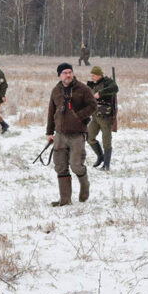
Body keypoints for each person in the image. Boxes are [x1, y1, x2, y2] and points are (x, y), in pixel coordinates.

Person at [46, 63, 97, 207]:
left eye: (70, 72)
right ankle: (65, 200)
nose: (68, 75)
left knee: (76, 165)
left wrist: (78, 116)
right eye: (65, 73)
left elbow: (93, 105)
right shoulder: (56, 91)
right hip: (60, 134)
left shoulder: (83, 89)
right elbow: (51, 112)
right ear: (59, 75)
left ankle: (84, 184)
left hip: (77, 134)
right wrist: (49, 132)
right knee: (60, 166)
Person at [86, 66, 119, 171]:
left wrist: (101, 93)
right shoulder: (91, 84)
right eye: (91, 75)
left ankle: (106, 165)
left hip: (106, 117)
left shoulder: (108, 82)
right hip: (95, 116)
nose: (92, 77)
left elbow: (115, 88)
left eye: (94, 75)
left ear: (99, 75)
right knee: (89, 136)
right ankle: (100, 157)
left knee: (106, 141)